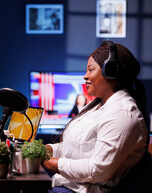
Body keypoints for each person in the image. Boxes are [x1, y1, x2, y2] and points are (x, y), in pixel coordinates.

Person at [42, 41, 150, 193]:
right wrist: (47, 150)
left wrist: (49, 163)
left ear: (110, 71)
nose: (85, 76)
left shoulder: (122, 114)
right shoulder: (96, 106)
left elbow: (98, 169)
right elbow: (79, 147)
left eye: (91, 70)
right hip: (67, 185)